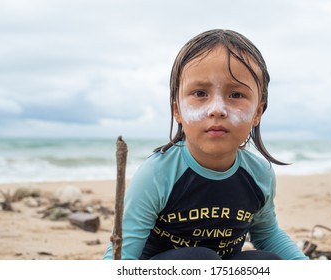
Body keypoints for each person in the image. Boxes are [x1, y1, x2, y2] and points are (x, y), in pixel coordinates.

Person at [103, 29, 308, 260]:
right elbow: (121, 255)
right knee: (202, 258)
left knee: (267, 262)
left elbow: (267, 234)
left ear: (257, 113)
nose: (217, 109)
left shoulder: (259, 174)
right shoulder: (157, 174)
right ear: (177, 110)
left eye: (236, 95)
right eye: (200, 93)